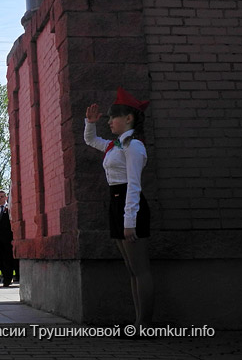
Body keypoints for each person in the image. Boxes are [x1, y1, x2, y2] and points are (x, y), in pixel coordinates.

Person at [84, 87, 153, 327]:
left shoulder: (133, 146)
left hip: (129, 206)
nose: (110, 121)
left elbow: (134, 185)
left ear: (129, 118)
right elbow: (91, 140)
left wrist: (129, 221)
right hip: (116, 203)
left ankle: (145, 325)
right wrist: (90, 123)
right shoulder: (116, 145)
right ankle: (138, 322)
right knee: (131, 269)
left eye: (114, 116)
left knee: (140, 269)